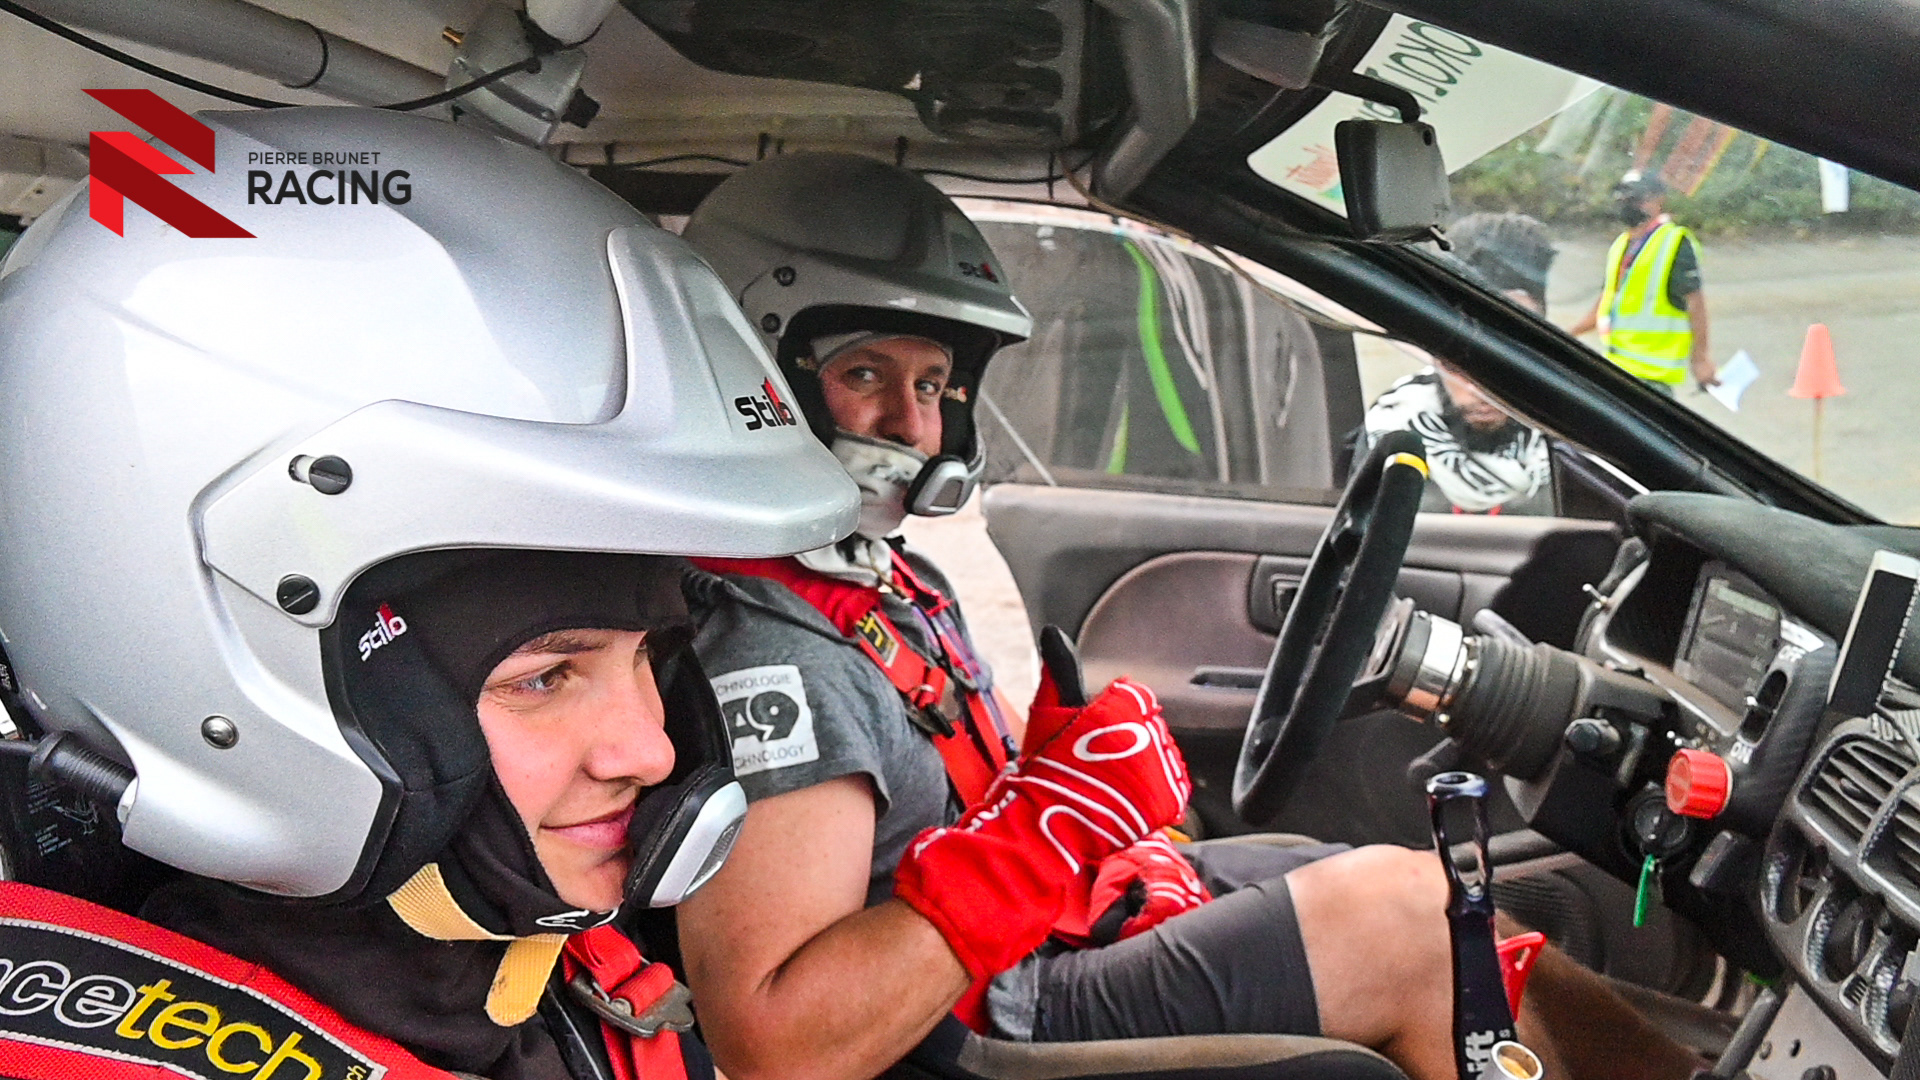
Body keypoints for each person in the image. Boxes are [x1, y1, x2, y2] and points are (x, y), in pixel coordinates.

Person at [674, 154, 1702, 1080]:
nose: (915, 423)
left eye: (934, 382)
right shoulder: (771, 653)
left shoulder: (880, 579)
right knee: (1407, 925)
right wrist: (1049, 828)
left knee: (1432, 896)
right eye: (866, 377)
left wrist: (1047, 788)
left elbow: (924, 832)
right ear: (754, 378)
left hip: (1021, 942)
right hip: (976, 1017)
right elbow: (783, 1048)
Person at [0, 107, 861, 1080]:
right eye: (545, 677)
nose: (655, 750)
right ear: (240, 668)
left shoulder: (556, 980)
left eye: (653, 659)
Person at [1360, 214, 1554, 515]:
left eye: (1509, 356)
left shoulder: (1577, 431)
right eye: (1459, 358)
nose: (1480, 388)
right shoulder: (1391, 429)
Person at [1568, 172, 1720, 392]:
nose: (1628, 204)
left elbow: (1695, 304)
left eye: (1637, 198)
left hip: (1651, 380)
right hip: (1615, 368)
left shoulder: (1674, 242)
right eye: (1623, 198)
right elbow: (1606, 301)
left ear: (1658, 201)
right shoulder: (1622, 245)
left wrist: (1701, 358)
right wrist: (1568, 335)